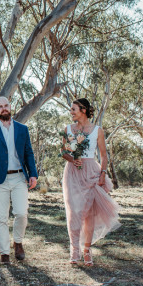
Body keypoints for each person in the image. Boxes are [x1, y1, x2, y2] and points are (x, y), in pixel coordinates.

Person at [61, 98, 121, 266]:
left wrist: (102, 174)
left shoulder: (97, 131)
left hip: (92, 172)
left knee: (88, 214)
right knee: (73, 212)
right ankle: (74, 250)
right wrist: (72, 159)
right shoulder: (67, 129)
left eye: (74, 109)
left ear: (83, 110)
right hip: (72, 173)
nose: (71, 112)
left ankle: (87, 250)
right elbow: (63, 152)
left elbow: (103, 155)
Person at [0, 96, 38, 264]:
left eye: (6, 105)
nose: (4, 108)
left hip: (20, 177)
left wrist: (33, 174)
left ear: (10, 107)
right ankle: (4, 252)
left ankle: (18, 242)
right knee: (1, 218)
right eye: (0, 106)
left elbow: (28, 153)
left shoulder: (22, 129)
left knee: (21, 213)